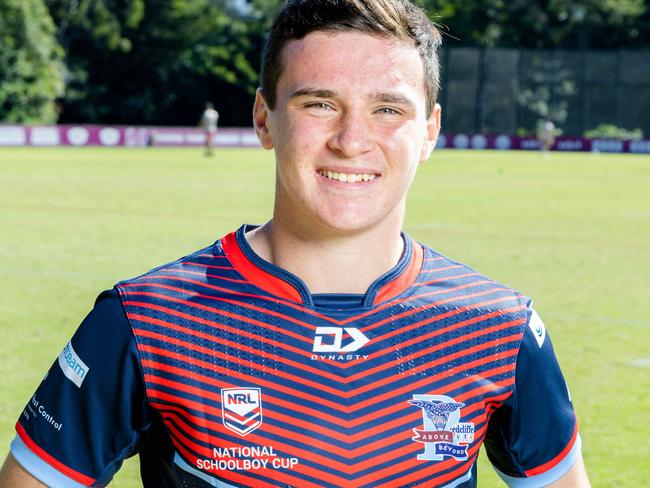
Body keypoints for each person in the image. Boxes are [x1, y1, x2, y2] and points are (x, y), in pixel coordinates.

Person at [0, 1, 591, 486]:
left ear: (430, 131)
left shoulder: (501, 327)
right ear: (264, 118)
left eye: (388, 109)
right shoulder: (143, 318)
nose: (352, 140)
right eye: (320, 104)